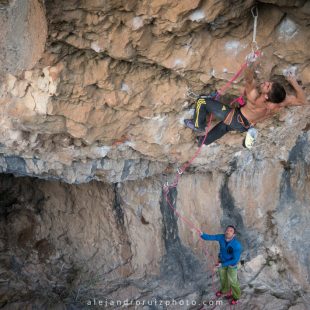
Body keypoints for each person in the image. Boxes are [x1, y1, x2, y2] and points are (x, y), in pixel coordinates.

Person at [184, 66, 306, 146]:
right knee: (223, 128)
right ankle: (201, 142)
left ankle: (198, 125)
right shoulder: (280, 103)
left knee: (202, 101)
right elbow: (302, 101)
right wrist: (293, 82)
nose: (265, 83)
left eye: (267, 86)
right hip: (245, 126)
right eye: (269, 83)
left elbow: (248, 79)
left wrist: (250, 64)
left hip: (235, 117)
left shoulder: (254, 98)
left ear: (267, 96)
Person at [200, 225, 242, 305]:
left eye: (231, 231)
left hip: (232, 264)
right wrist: (202, 235)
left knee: (233, 281)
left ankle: (237, 296)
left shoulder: (236, 245)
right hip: (222, 261)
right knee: (223, 278)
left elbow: (235, 259)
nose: (228, 231)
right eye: (227, 230)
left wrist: (222, 264)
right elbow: (211, 237)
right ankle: (224, 290)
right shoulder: (221, 237)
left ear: (234, 235)